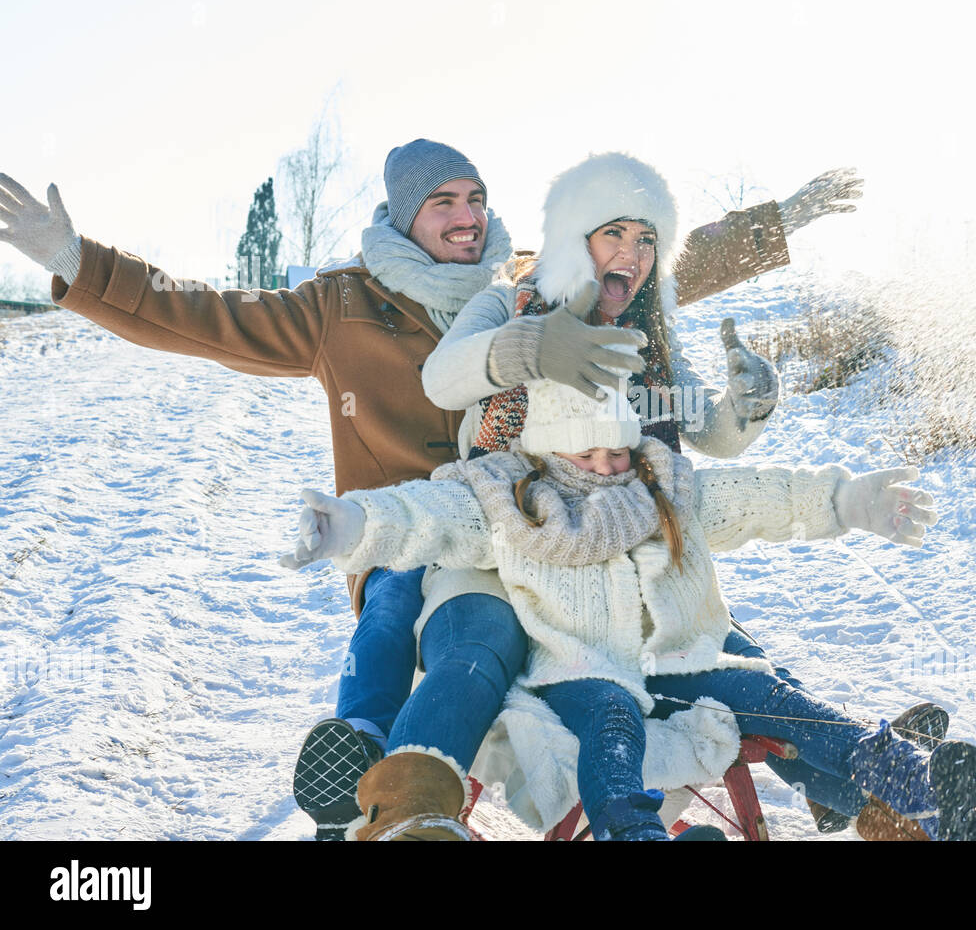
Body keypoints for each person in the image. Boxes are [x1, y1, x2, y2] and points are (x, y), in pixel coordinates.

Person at [0, 147, 870, 838]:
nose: (467, 216)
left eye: (477, 198)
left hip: (539, 525)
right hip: (410, 531)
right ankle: (369, 778)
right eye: (444, 203)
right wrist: (79, 265)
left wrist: (777, 222)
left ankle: (855, 772)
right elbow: (206, 313)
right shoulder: (343, 306)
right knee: (415, 621)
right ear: (404, 216)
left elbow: (648, 257)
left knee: (695, 624)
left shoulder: (526, 283)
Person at [284, 375, 976, 841]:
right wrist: (350, 525)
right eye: (586, 454)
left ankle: (936, 802)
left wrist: (846, 500)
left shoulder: (662, 489)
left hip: (679, 659)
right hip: (580, 670)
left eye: (616, 450)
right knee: (615, 728)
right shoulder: (509, 502)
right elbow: (424, 516)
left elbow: (758, 496)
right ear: (550, 449)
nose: (606, 467)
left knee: (779, 698)